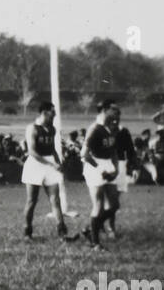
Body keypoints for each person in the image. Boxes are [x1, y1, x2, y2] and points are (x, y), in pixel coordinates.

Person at [22, 101, 71, 240]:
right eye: (52, 111)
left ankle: (62, 232)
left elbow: (52, 148)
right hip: (35, 165)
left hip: (49, 165)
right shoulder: (32, 128)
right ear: (44, 112)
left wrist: (58, 162)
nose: (55, 114)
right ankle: (27, 232)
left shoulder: (52, 128)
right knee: (32, 200)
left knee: (55, 199)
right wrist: (51, 163)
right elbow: (32, 152)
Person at [80, 103, 123, 248]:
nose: (116, 112)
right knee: (98, 205)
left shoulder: (110, 128)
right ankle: (95, 242)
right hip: (94, 167)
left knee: (114, 204)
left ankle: (89, 229)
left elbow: (114, 151)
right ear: (105, 111)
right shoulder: (94, 129)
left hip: (108, 165)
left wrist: (116, 169)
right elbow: (84, 154)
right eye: (112, 109)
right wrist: (100, 169)